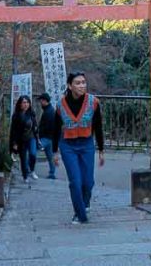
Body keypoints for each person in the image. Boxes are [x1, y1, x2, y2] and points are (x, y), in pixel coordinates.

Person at [52, 72, 105, 224]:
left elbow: (98, 127)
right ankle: (79, 214)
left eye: (83, 82)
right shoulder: (60, 105)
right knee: (75, 181)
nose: (82, 85)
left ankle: (85, 202)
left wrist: (101, 150)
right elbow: (56, 129)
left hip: (86, 144)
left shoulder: (93, 102)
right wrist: (55, 152)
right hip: (67, 145)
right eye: (78, 83)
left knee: (88, 182)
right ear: (70, 86)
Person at [9, 95, 39, 183]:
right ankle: (25, 176)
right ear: (20, 104)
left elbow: (35, 126)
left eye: (27, 102)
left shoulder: (32, 114)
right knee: (23, 158)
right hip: (21, 140)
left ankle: (32, 170)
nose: (25, 104)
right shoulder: (16, 116)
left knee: (33, 154)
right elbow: (14, 130)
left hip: (31, 138)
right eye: (23, 102)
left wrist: (37, 133)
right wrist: (14, 143)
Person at [36, 92, 57, 179]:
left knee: (33, 151)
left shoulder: (48, 112)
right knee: (50, 156)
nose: (40, 102)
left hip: (45, 137)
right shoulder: (51, 110)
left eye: (41, 100)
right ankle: (52, 173)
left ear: (44, 101)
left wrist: (40, 135)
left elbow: (46, 126)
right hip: (50, 138)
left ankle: (29, 169)